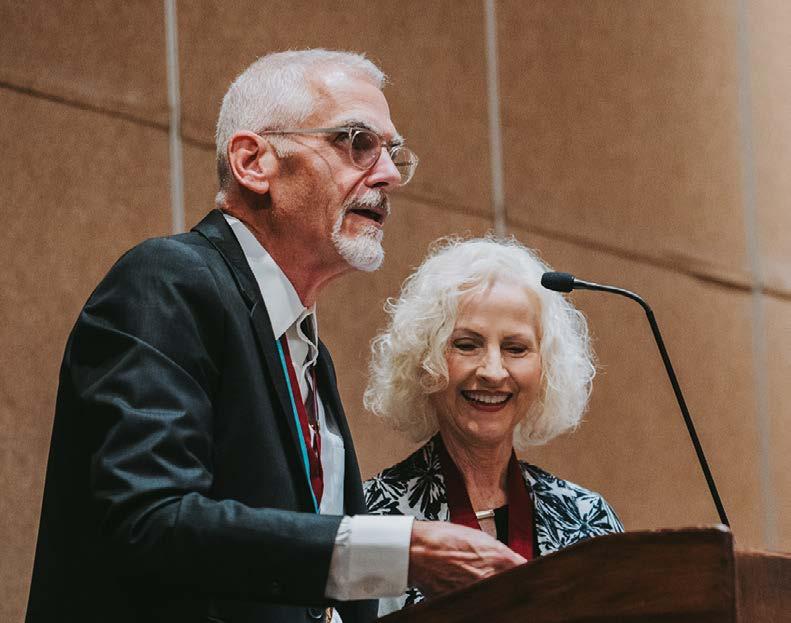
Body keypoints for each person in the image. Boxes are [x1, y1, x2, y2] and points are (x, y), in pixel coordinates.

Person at [25, 50, 525, 623]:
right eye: (357, 142)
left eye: (392, 152)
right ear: (252, 161)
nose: (387, 174)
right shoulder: (167, 283)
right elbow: (152, 521)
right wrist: (399, 550)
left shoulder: (304, 348)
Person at [363, 237, 624, 615]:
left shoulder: (589, 520)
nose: (493, 371)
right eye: (467, 345)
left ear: (545, 368)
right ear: (424, 360)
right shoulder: (372, 518)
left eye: (516, 348)